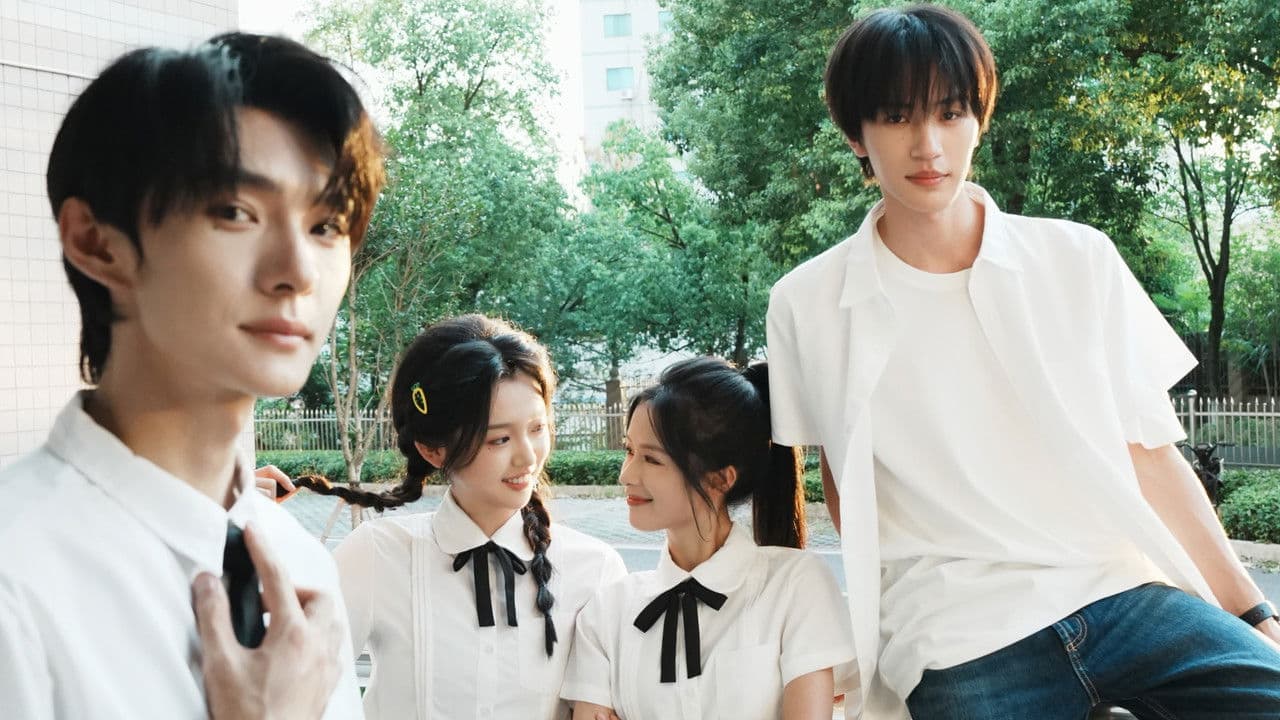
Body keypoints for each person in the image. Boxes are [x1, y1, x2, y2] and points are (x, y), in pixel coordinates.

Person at [765, 5, 1280, 719]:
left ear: (979, 119)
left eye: (950, 114)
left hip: (1119, 590)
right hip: (956, 629)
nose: (928, 146)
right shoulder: (807, 302)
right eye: (895, 117)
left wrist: (1253, 614)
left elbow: (1150, 451)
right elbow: (844, 479)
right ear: (856, 133)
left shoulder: (1075, 258)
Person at [0, 33, 386, 719]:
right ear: (97, 242)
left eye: (328, 225)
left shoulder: (303, 570)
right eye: (236, 212)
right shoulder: (16, 579)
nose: (298, 271)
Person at [294, 314, 628, 719]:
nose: (527, 456)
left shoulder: (595, 570)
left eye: (538, 428)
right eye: (499, 439)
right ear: (433, 449)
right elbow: (293, 692)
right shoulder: (378, 554)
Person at [561, 358, 856, 720]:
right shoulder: (606, 613)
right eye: (629, 451)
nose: (626, 474)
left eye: (652, 459)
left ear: (720, 479)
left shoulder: (796, 585)